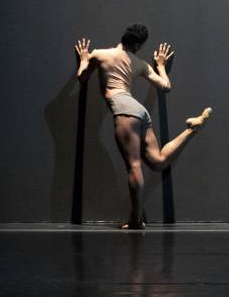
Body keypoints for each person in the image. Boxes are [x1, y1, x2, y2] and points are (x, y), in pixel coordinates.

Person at [75, 23, 212, 229]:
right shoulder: (139, 63)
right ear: (138, 45)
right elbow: (166, 87)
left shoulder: (100, 54)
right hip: (139, 110)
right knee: (157, 162)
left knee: (134, 166)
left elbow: (82, 77)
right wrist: (162, 66)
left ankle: (135, 219)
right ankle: (193, 128)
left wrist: (84, 59)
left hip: (123, 109)